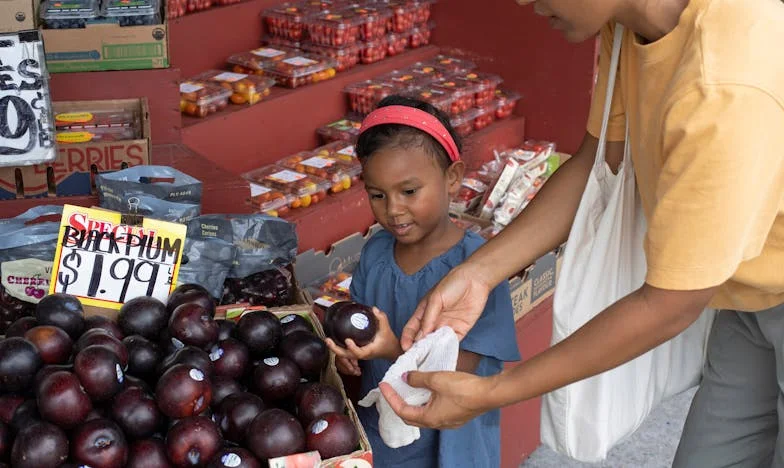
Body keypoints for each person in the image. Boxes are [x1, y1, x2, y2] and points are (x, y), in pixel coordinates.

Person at [378, 0, 784, 466]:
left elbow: (670, 305)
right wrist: (479, 273)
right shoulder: (629, 25)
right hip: (750, 297)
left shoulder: (724, 86)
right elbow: (598, 162)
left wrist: (495, 390)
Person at [324, 95, 520, 468]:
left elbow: (454, 378)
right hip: (383, 429)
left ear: (453, 179)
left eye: (409, 191)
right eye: (377, 195)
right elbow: (362, 321)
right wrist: (351, 352)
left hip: (450, 442)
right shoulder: (376, 251)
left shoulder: (479, 269)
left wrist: (389, 350)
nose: (393, 209)